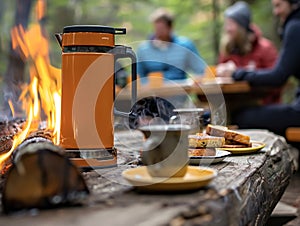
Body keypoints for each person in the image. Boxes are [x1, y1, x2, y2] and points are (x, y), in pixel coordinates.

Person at [217, 0, 300, 140]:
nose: (275, 12)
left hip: (280, 106)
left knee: (240, 117)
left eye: (279, 5)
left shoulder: (295, 26)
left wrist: (236, 73)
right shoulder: (228, 48)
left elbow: (278, 77)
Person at [217, 1, 280, 105]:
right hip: (233, 105)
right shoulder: (227, 49)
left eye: (231, 24)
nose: (227, 29)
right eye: (226, 24)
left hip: (262, 106)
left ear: (241, 27)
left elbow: (276, 82)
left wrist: (243, 75)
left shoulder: (265, 48)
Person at [137, 8, 205, 81]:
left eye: (162, 29)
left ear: (170, 27)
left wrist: (197, 80)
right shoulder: (143, 49)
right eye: (156, 28)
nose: (158, 32)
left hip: (180, 90)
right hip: (153, 91)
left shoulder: (185, 45)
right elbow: (138, 76)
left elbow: (201, 70)